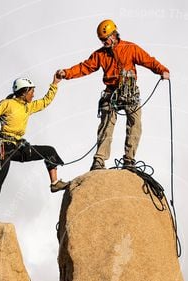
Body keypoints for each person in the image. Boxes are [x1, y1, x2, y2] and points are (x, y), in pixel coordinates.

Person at [56, 19, 169, 171]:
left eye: (106, 38)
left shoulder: (130, 48)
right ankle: (99, 160)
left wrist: (162, 70)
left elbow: (148, 60)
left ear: (114, 34)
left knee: (135, 124)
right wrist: (66, 73)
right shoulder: (100, 55)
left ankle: (129, 160)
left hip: (130, 93)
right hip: (111, 94)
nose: (104, 42)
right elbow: (85, 67)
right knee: (106, 125)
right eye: (102, 40)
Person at [0, 74, 69, 222]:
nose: (33, 94)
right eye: (31, 91)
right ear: (24, 91)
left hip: (19, 146)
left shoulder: (28, 106)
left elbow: (45, 102)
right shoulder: (7, 104)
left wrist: (54, 84)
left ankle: (54, 183)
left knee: (48, 151)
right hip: (4, 146)